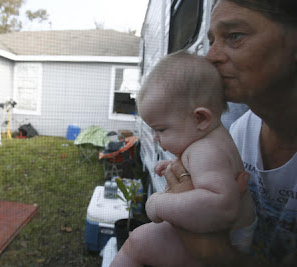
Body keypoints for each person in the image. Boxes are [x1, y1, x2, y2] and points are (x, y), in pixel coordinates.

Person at [115, 0, 297, 266]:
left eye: (234, 36)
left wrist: (212, 252)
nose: (210, 55)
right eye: (212, 40)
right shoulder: (240, 131)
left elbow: (216, 211)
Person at [111, 52, 256, 266]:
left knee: (139, 241)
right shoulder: (209, 141)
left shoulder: (206, 150)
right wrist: (175, 165)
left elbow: (222, 206)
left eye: (161, 129)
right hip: (224, 235)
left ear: (200, 118)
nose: (155, 138)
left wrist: (159, 203)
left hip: (226, 241)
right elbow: (207, 176)